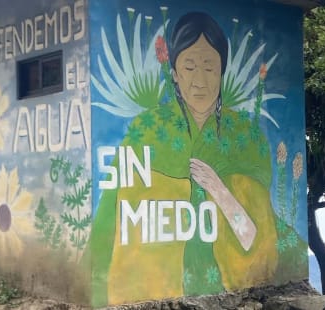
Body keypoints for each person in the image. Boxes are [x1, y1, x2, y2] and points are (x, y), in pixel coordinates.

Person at [89, 12, 278, 306]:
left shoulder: (247, 137)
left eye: (210, 67)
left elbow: (255, 237)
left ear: (222, 72)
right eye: (189, 67)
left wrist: (217, 187)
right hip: (156, 284)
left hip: (223, 287)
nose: (200, 81)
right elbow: (109, 216)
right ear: (175, 73)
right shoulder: (148, 129)